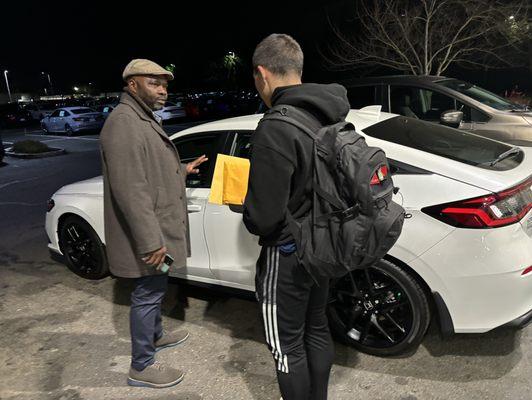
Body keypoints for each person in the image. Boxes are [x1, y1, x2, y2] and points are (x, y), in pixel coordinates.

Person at [243, 34, 350, 399]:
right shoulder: (326, 114)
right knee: (316, 328)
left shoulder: (276, 126)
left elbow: (263, 218)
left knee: (285, 346)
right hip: (323, 246)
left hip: (287, 253)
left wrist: (245, 207)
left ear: (262, 74)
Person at [100, 59, 207, 388]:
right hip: (148, 237)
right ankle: (141, 366)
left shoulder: (140, 118)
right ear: (132, 85)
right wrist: (150, 241)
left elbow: (148, 170)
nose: (163, 90)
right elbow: (131, 190)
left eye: (165, 84)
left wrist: (182, 170)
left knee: (157, 287)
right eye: (154, 83)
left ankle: (156, 335)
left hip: (156, 231)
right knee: (147, 294)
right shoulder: (123, 123)